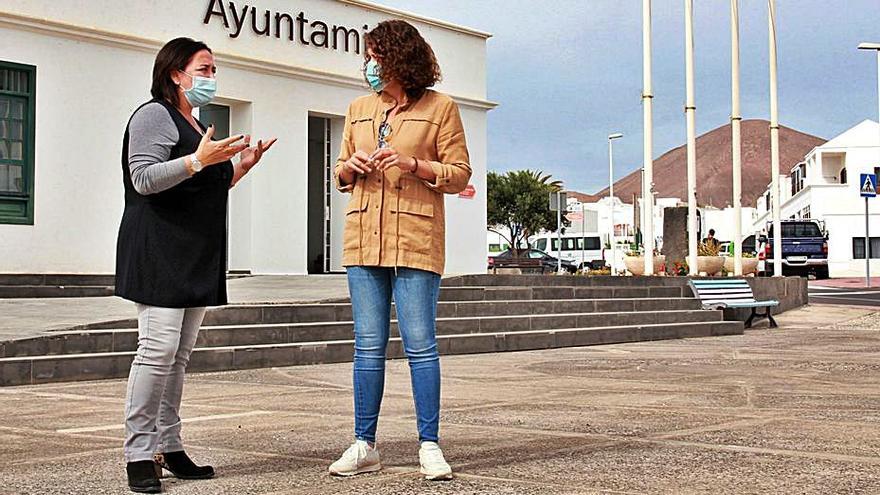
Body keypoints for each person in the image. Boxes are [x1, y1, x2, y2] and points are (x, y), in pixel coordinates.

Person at [116, 37, 276, 493]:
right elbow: (144, 178)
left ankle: (169, 443)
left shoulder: (195, 122)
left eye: (213, 69)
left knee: (178, 357)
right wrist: (196, 160)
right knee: (157, 350)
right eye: (204, 69)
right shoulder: (154, 116)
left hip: (195, 253)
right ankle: (139, 452)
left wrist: (240, 166)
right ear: (175, 73)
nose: (211, 76)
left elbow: (202, 186)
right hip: (160, 251)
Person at [329, 19, 471, 481]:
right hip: (363, 238)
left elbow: (460, 173)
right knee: (367, 347)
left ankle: (429, 444)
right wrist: (348, 167)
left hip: (415, 240)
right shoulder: (358, 108)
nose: (368, 65)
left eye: (375, 56)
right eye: (366, 57)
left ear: (398, 58)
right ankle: (363, 443)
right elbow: (340, 172)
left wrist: (413, 163)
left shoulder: (441, 108)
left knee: (420, 346)